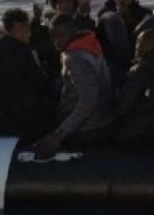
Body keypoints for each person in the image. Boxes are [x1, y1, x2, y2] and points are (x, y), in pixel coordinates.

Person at [31, 13, 113, 158]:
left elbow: (88, 101)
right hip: (102, 117)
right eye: (52, 36)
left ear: (73, 33)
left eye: (61, 36)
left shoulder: (74, 58)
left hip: (88, 127)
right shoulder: (90, 44)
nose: (56, 41)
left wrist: (59, 134)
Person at [0, 8, 58, 139]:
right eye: (27, 29)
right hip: (19, 114)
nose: (29, 34)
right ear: (18, 28)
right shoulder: (22, 52)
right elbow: (42, 83)